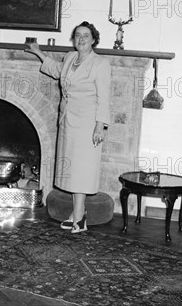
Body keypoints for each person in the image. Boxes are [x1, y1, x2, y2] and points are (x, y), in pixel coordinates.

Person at [26, 21, 111, 233]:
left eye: (86, 35)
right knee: (73, 169)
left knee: (82, 170)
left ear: (94, 39)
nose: (81, 39)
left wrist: (100, 126)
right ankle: (77, 213)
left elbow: (104, 98)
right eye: (78, 35)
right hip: (68, 120)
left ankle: (80, 218)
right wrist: (38, 52)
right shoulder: (70, 57)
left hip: (88, 123)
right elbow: (56, 69)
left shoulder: (100, 64)